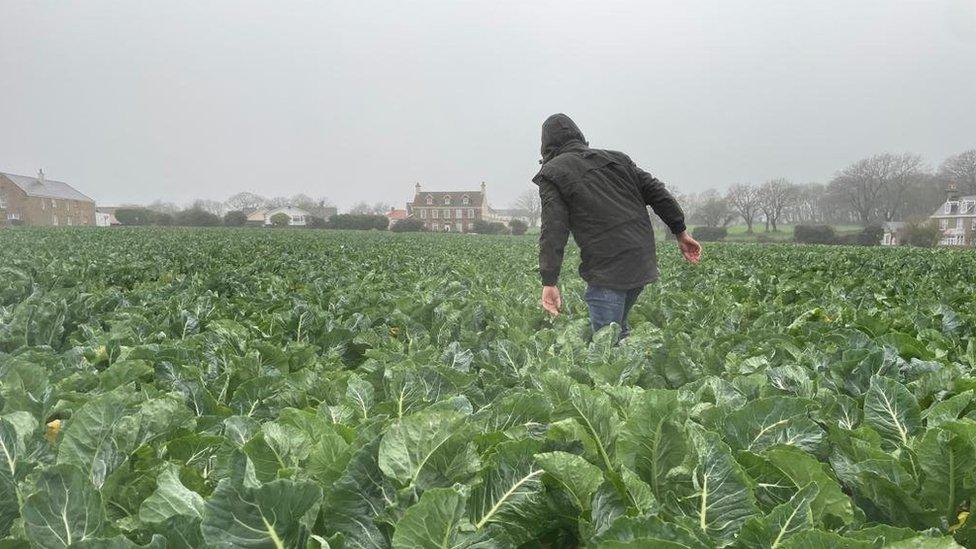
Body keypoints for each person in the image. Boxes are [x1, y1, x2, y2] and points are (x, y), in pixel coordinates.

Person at [533, 113, 701, 338]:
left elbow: (553, 228)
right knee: (617, 330)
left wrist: (549, 281)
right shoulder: (617, 159)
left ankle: (623, 359)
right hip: (642, 257)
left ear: (546, 145)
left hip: (608, 265)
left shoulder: (552, 172)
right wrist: (680, 232)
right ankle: (628, 356)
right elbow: (657, 192)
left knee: (606, 346)